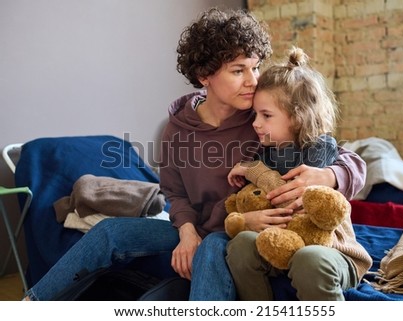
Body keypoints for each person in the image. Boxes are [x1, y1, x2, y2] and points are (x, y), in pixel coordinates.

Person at [23, 7, 366, 301]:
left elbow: (341, 154)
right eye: (238, 70)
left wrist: (329, 175)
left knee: (214, 249)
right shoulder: (178, 129)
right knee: (110, 231)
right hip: (197, 226)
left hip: (231, 231)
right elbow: (174, 192)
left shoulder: (263, 117)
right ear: (205, 76)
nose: (253, 80)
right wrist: (186, 230)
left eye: (256, 67)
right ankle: (33, 302)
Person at [225, 47, 372, 301]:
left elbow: (354, 168)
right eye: (255, 114)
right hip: (279, 245)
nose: (255, 123)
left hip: (331, 250)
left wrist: (329, 176)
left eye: (266, 115)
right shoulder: (266, 151)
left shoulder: (320, 149)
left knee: (310, 258)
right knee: (240, 245)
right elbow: (254, 199)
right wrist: (247, 218)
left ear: (297, 117)